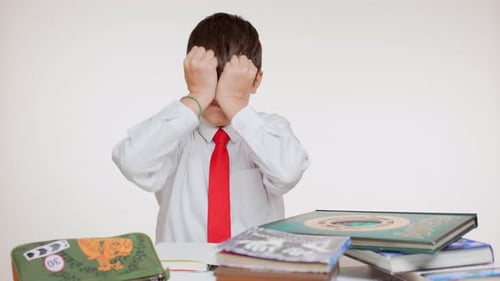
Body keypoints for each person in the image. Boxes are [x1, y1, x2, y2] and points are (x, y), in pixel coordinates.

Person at [112, 12, 310, 243]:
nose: (217, 92)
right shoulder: (174, 134)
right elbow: (132, 161)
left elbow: (287, 172)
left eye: (229, 81)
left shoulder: (268, 130)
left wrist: (234, 102)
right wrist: (197, 95)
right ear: (192, 75)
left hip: (252, 273)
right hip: (184, 274)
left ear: (256, 80)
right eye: (210, 79)